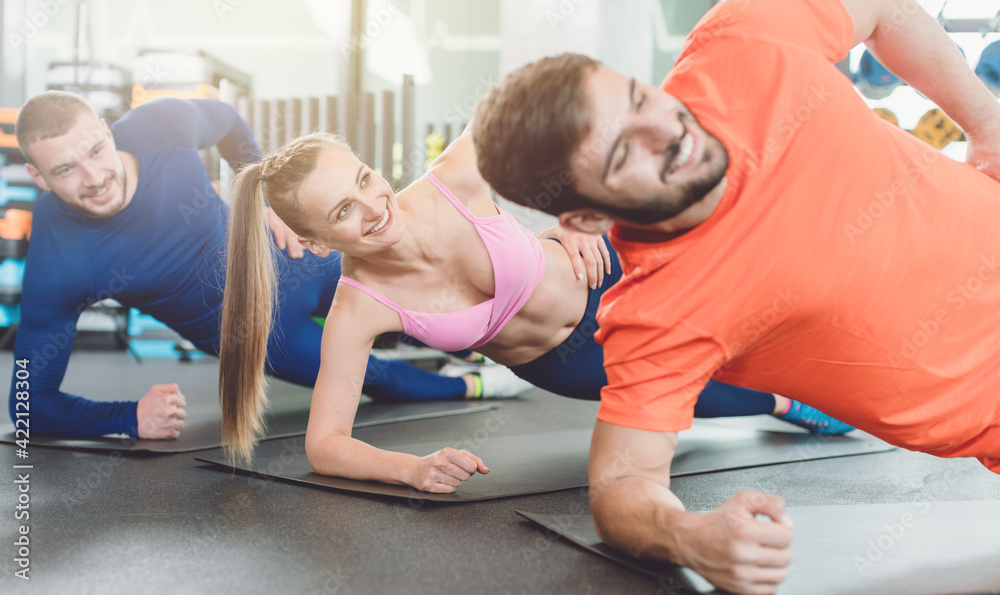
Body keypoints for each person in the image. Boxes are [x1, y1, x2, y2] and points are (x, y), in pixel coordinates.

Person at [471, 0, 1000, 592]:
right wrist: (688, 536)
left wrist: (986, 123)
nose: (668, 132)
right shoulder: (659, 313)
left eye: (641, 100)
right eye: (626, 153)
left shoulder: (740, 41)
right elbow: (622, 487)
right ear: (588, 216)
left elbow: (882, 11)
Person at [218, 126, 853, 482]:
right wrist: (410, 469)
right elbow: (324, 443)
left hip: (610, 273)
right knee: (694, 399)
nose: (373, 206)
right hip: (568, 365)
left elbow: (551, 112)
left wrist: (574, 210)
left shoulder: (453, 177)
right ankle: (787, 406)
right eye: (343, 213)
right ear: (314, 241)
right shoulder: (360, 309)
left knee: (758, 310)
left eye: (363, 179)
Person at [10, 91, 519, 441]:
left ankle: (502, 348)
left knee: (411, 310)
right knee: (368, 377)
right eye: (65, 170)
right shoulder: (60, 258)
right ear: (36, 175)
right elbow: (28, 406)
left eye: (97, 150)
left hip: (290, 260)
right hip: (252, 333)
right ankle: (475, 384)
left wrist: (266, 200)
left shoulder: (158, 122)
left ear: (106, 129)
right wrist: (127, 417)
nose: (95, 177)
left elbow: (228, 122)